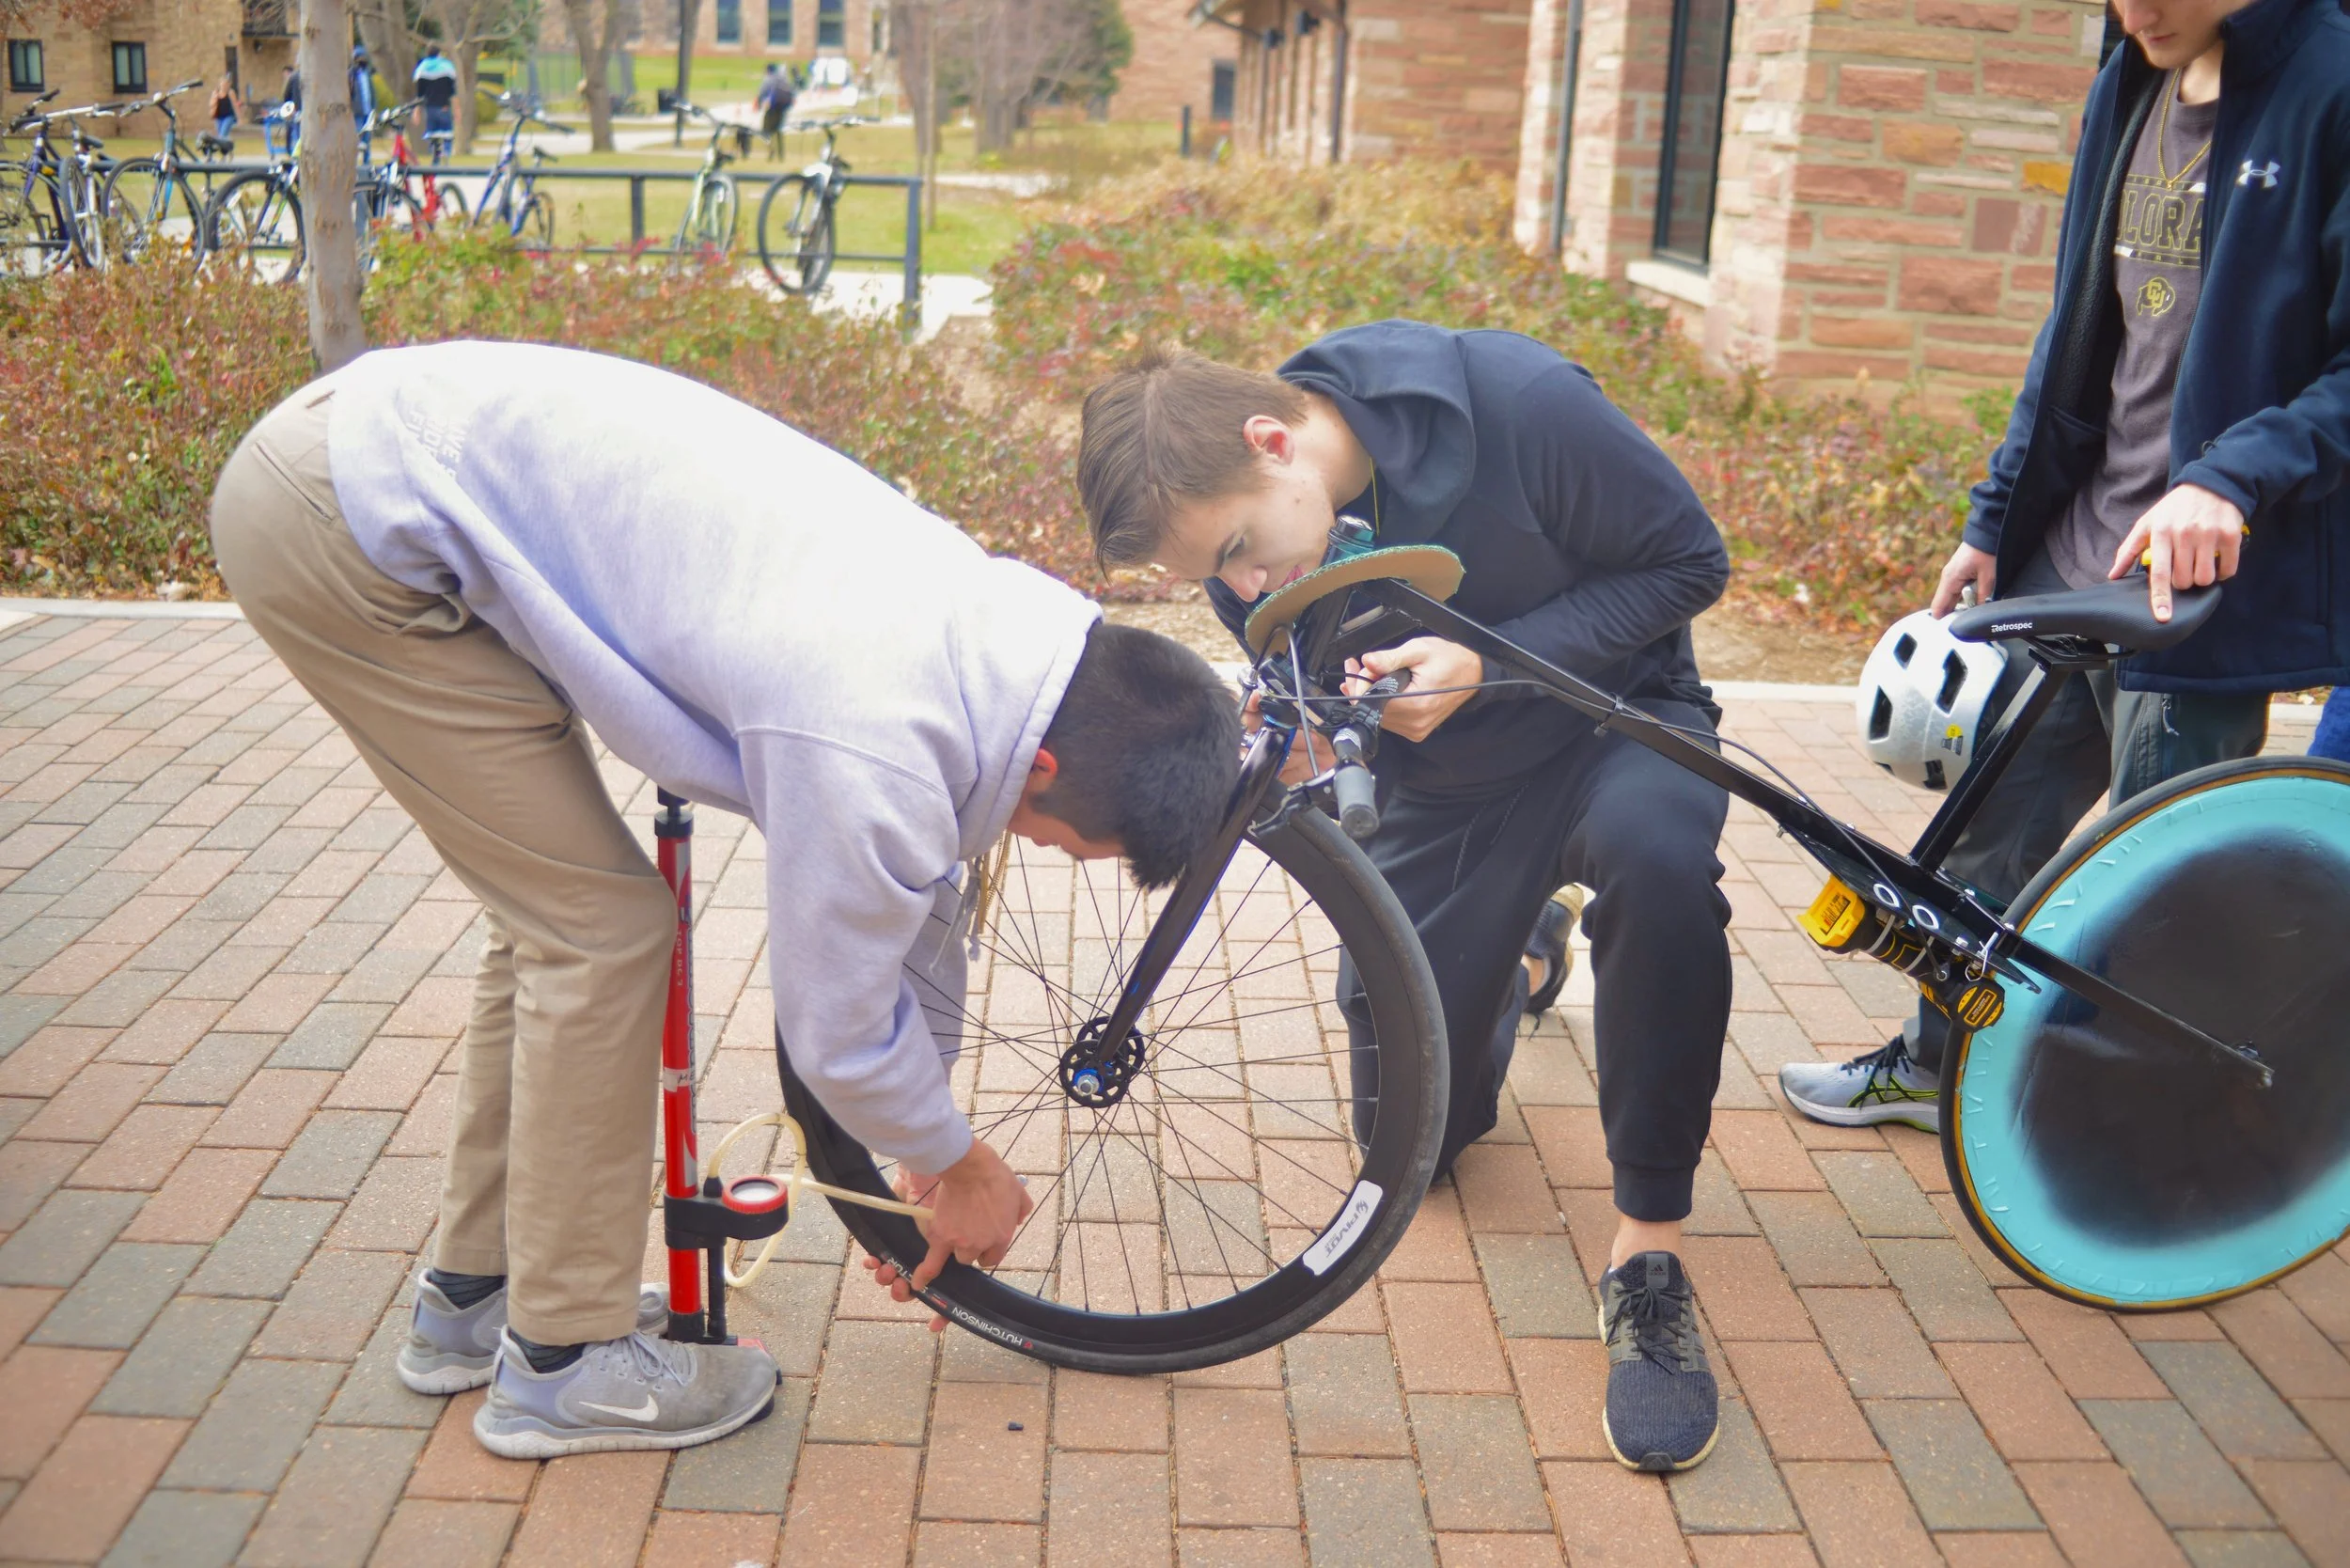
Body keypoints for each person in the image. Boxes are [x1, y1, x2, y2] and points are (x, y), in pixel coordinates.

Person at [208, 341, 1242, 1458]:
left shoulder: (1004, 644)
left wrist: (918, 1141)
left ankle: (480, 1298)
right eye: (1065, 843)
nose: (1037, 850)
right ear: (1041, 772)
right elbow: (837, 1026)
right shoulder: (876, 733)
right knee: (597, 932)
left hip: (388, 450)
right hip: (351, 516)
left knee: (560, 921)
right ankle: (561, 1365)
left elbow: (919, 899)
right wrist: (959, 1164)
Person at [1076, 326, 1736, 1474]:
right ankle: (1525, 943)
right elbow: (1318, 684)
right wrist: (1315, 728)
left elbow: (1690, 564)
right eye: (1215, 578)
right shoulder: (1255, 548)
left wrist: (1495, 662)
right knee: (1415, 1146)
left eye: (1237, 551)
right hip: (1452, 788)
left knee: (1660, 865)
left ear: (1272, 441)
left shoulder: (1524, 403)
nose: (1243, 590)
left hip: (1615, 725)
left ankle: (1647, 1253)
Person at [1781, 0, 2350, 1136]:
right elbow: (2074, 330)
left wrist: (2231, 476)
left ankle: (2120, 1138)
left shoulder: (2330, 87)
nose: (2139, 7)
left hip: (2194, 603)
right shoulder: (2127, 82)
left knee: (2150, 897)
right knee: (1984, 847)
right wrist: (1998, 516)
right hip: (2075, 558)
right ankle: (1934, 1064)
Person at [414, 43, 459, 163]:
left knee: (433, 134)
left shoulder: (422, 68)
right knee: (446, 133)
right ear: (439, 53)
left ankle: (435, 158)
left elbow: (419, 94)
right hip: (444, 106)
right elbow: (452, 92)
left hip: (430, 108)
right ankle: (446, 153)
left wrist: (417, 112)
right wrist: (457, 110)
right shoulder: (446, 67)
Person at [755, 61, 795, 159]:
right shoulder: (782, 79)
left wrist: (759, 104)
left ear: (767, 70)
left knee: (766, 130)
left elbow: (762, 92)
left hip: (772, 108)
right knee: (778, 130)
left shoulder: (769, 79)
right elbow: (791, 92)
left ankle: (771, 151)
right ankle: (781, 153)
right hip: (782, 108)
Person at [350, 44, 378, 159]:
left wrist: (374, 108)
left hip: (368, 111)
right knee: (357, 137)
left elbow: (372, 92)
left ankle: (367, 161)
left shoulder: (367, 74)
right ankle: (354, 161)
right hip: (357, 112)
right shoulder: (352, 75)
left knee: (367, 138)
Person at [207, 72, 243, 147]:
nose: (224, 85)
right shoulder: (215, 93)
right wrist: (215, 99)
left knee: (222, 135)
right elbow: (211, 105)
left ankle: (224, 147)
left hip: (229, 117)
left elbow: (235, 105)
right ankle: (228, 146)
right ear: (220, 84)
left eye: (226, 84)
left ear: (228, 84)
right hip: (219, 117)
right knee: (222, 136)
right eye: (222, 83)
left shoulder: (230, 92)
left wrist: (239, 118)